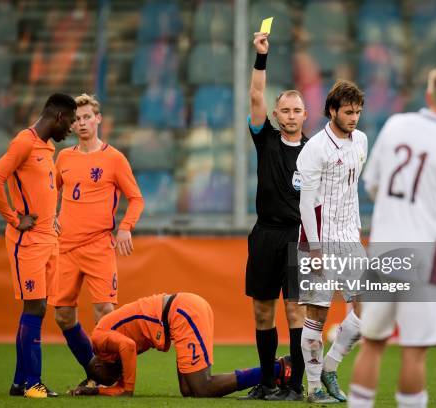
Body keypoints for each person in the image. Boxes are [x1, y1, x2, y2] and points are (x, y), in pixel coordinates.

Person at [348, 62, 436, 408]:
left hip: (384, 248)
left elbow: (372, 182)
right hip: (427, 255)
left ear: (428, 95)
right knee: (414, 351)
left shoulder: (396, 125)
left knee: (373, 343)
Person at [0, 93, 77, 398]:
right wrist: (13, 218)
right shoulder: (23, 142)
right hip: (28, 242)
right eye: (71, 122)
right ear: (59, 117)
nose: (72, 129)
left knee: (37, 308)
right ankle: (32, 383)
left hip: (47, 239)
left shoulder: (47, 148)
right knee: (34, 307)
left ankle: (19, 382)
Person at [49, 94, 144, 379]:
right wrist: (50, 215)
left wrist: (125, 226)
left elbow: (136, 198)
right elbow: (49, 192)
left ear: (98, 119)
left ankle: (110, 373)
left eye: (87, 117)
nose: (82, 123)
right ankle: (94, 369)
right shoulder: (64, 157)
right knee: (63, 316)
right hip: (65, 247)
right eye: (76, 119)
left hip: (99, 245)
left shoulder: (114, 159)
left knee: (105, 311)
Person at [242, 30, 307, 401]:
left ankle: (295, 386)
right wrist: (261, 57)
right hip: (265, 234)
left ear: (305, 114)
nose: (291, 116)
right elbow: (255, 94)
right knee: (263, 314)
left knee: (295, 312)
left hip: (299, 237)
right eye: (285, 110)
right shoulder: (264, 138)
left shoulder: (315, 151)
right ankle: (266, 383)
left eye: (297, 110)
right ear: (276, 113)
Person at [69, 292, 291, 397]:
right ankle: (273, 371)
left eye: (110, 379)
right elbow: (126, 350)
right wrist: (98, 391)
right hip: (178, 315)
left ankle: (276, 369)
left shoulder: (99, 340)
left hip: (182, 312)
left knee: (202, 388)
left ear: (98, 366)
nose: (116, 378)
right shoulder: (108, 353)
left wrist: (125, 389)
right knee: (189, 391)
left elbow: (127, 347)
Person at [296, 80, 368, 403]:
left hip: (350, 239)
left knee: (370, 310)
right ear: (332, 111)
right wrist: (314, 248)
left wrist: (355, 229)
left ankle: (330, 365)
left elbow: (349, 192)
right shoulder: (315, 149)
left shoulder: (362, 141)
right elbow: (305, 203)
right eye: (349, 112)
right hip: (319, 241)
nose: (354, 118)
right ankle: (313, 390)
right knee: (317, 316)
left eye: (358, 113)